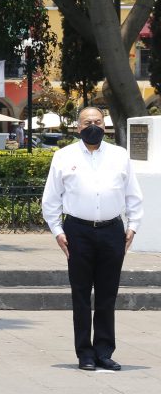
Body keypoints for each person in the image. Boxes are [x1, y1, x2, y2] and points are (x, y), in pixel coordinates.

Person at [41, 107, 142, 372]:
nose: (93, 126)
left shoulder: (120, 156)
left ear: (105, 125)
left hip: (112, 231)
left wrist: (133, 225)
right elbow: (51, 198)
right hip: (78, 231)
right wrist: (57, 230)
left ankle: (104, 352)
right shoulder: (64, 156)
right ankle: (85, 353)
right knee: (81, 294)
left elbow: (133, 194)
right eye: (88, 122)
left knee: (108, 295)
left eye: (98, 121)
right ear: (78, 127)